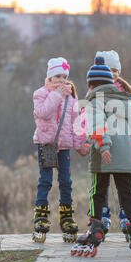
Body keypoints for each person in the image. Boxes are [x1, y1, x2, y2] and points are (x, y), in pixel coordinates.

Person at [71, 56, 131, 257]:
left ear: (91, 84)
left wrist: (104, 146)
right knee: (126, 192)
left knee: (98, 190)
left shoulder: (95, 101)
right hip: (127, 157)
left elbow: (97, 125)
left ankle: (96, 227)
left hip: (104, 156)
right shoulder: (128, 101)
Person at [31, 57, 88, 243]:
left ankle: (66, 216)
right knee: (45, 181)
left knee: (66, 181)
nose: (62, 81)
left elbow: (75, 122)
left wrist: (79, 144)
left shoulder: (71, 97)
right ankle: (40, 216)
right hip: (46, 145)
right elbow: (43, 113)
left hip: (63, 146)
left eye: (64, 77)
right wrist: (57, 95)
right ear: (49, 76)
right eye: (58, 76)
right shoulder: (40, 94)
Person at [93, 50, 131, 240]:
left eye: (115, 70)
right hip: (123, 149)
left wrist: (102, 144)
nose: (112, 74)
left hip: (107, 148)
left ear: (119, 72)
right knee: (123, 187)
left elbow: (95, 122)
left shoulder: (100, 95)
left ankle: (104, 218)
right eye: (108, 70)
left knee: (102, 187)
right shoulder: (128, 97)